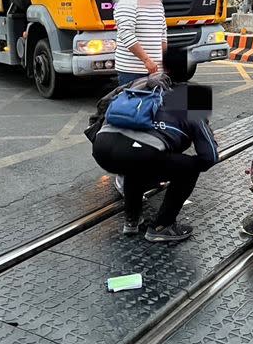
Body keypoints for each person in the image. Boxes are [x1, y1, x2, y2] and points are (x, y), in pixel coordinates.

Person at [90, 48, 218, 242]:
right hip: (140, 154)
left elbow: (102, 107)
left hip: (102, 148)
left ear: (164, 66)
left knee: (139, 162)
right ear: (191, 71)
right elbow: (209, 155)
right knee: (185, 167)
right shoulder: (193, 96)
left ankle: (132, 222)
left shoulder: (142, 81)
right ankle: (162, 226)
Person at [114, 0, 168, 86]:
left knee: (154, 104)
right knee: (133, 104)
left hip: (155, 71)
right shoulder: (128, 1)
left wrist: (161, 62)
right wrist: (146, 60)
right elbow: (126, 34)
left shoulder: (158, 4)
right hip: (132, 71)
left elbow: (163, 35)